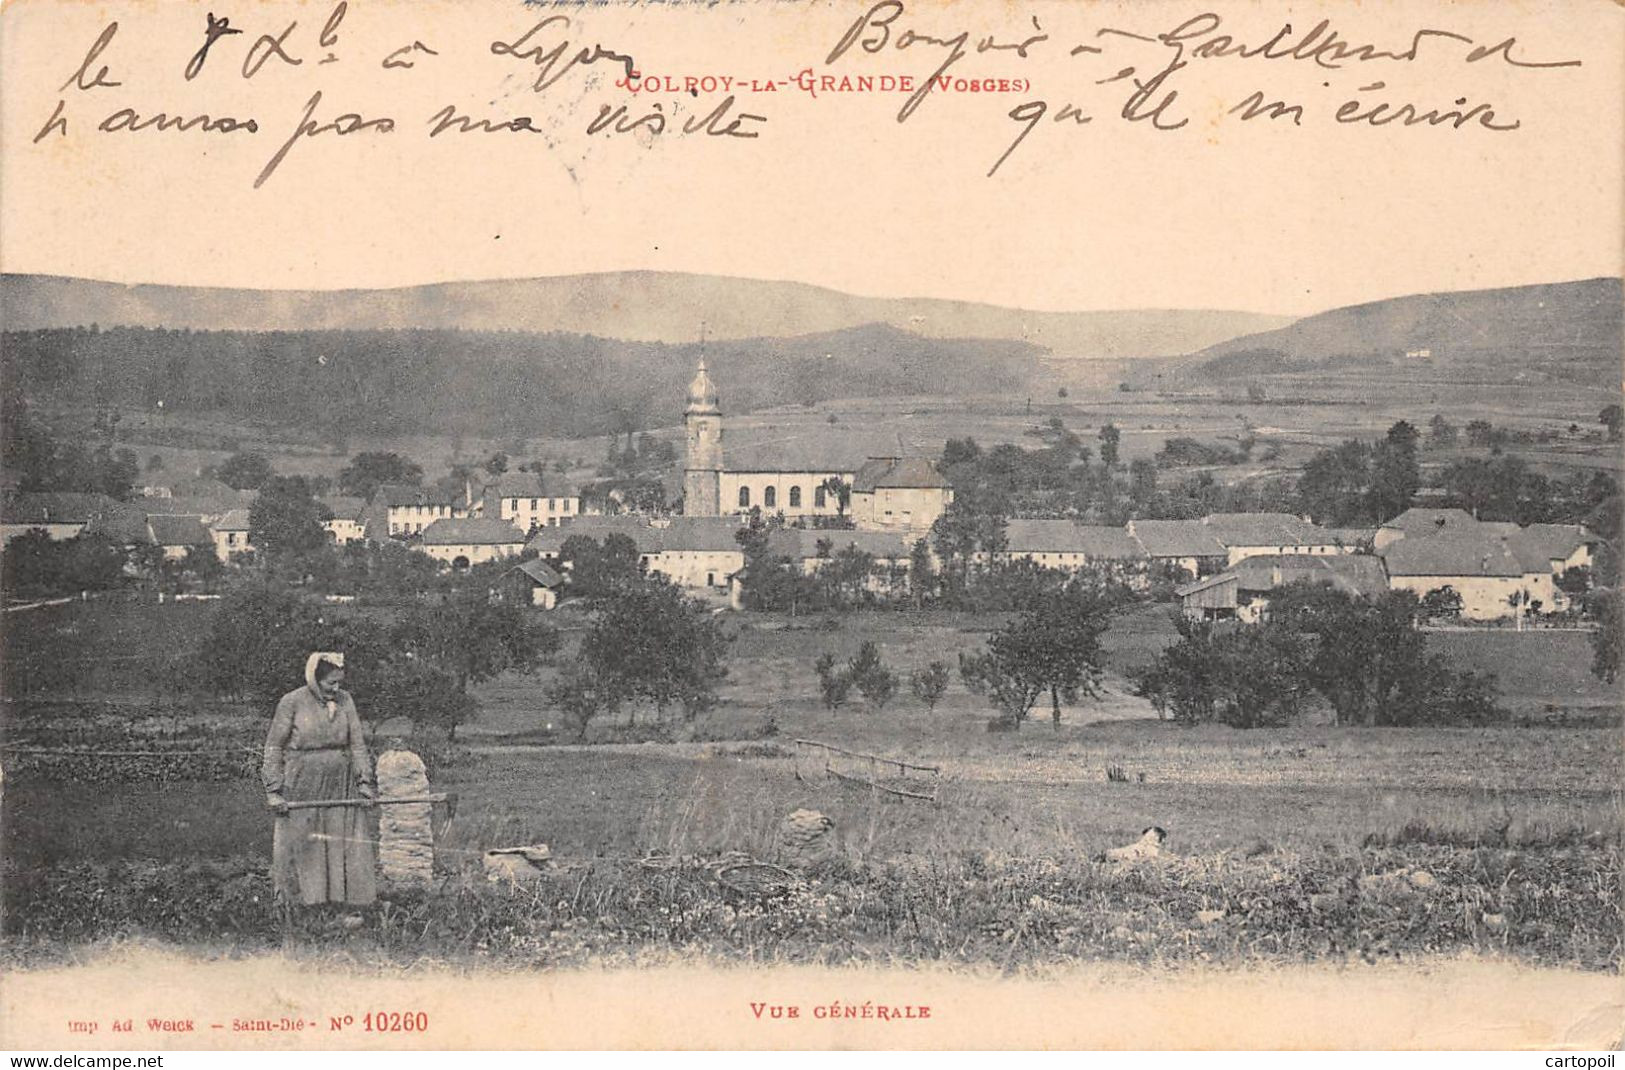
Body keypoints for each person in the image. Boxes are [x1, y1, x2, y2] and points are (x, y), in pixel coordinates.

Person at [262, 652, 377, 909]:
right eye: (330, 683)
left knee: (339, 841)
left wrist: (364, 783)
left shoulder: (346, 700)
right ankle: (300, 905)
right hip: (302, 784)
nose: (336, 689)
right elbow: (273, 747)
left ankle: (341, 904)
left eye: (339, 683)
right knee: (306, 843)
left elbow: (357, 744)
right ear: (314, 679)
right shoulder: (292, 702)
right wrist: (274, 790)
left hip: (340, 784)